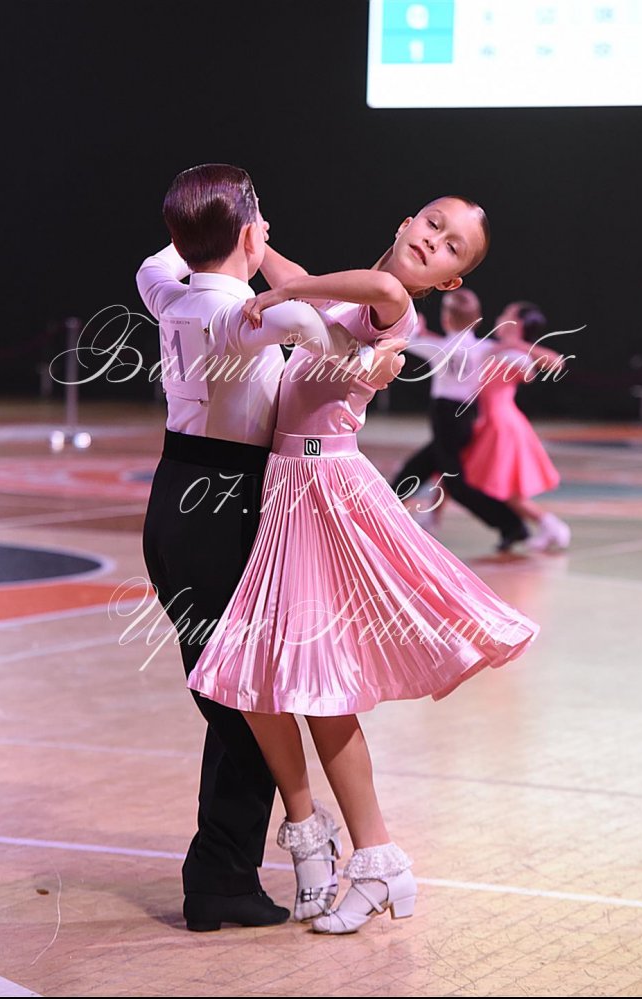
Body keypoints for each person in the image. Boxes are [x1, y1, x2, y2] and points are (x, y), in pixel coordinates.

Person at [186, 196, 541, 934]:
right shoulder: (344, 300)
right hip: (289, 489)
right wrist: (255, 238)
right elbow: (299, 275)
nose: (435, 241)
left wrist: (281, 294)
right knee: (255, 678)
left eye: (453, 248)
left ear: (448, 282)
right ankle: (309, 830)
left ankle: (377, 857)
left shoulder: (390, 307)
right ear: (405, 221)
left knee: (320, 685)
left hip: (327, 493)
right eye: (433, 224)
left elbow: (360, 286)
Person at [137, 163, 406, 932]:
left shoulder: (167, 291)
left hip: (172, 502)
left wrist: (206, 224)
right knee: (246, 695)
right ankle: (243, 865)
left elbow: (155, 260)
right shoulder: (249, 315)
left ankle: (232, 870)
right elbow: (321, 340)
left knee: (235, 690)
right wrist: (374, 367)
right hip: (228, 504)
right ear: (253, 236)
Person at [391, 288, 531, 551]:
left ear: (446, 318)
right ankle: (386, 510)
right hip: (464, 420)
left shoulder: (441, 348)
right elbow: (525, 364)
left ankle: (512, 525)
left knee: (456, 485)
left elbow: (407, 340)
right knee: (418, 468)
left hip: (446, 421)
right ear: (477, 319)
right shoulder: (484, 349)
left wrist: (414, 328)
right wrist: (513, 347)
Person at [460, 301, 571, 550]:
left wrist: (516, 345)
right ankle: (547, 526)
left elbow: (553, 364)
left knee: (502, 488)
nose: (499, 317)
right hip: (491, 423)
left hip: (503, 426)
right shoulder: (494, 348)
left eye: (506, 314)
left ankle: (551, 525)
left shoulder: (515, 354)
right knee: (458, 472)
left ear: (517, 323)